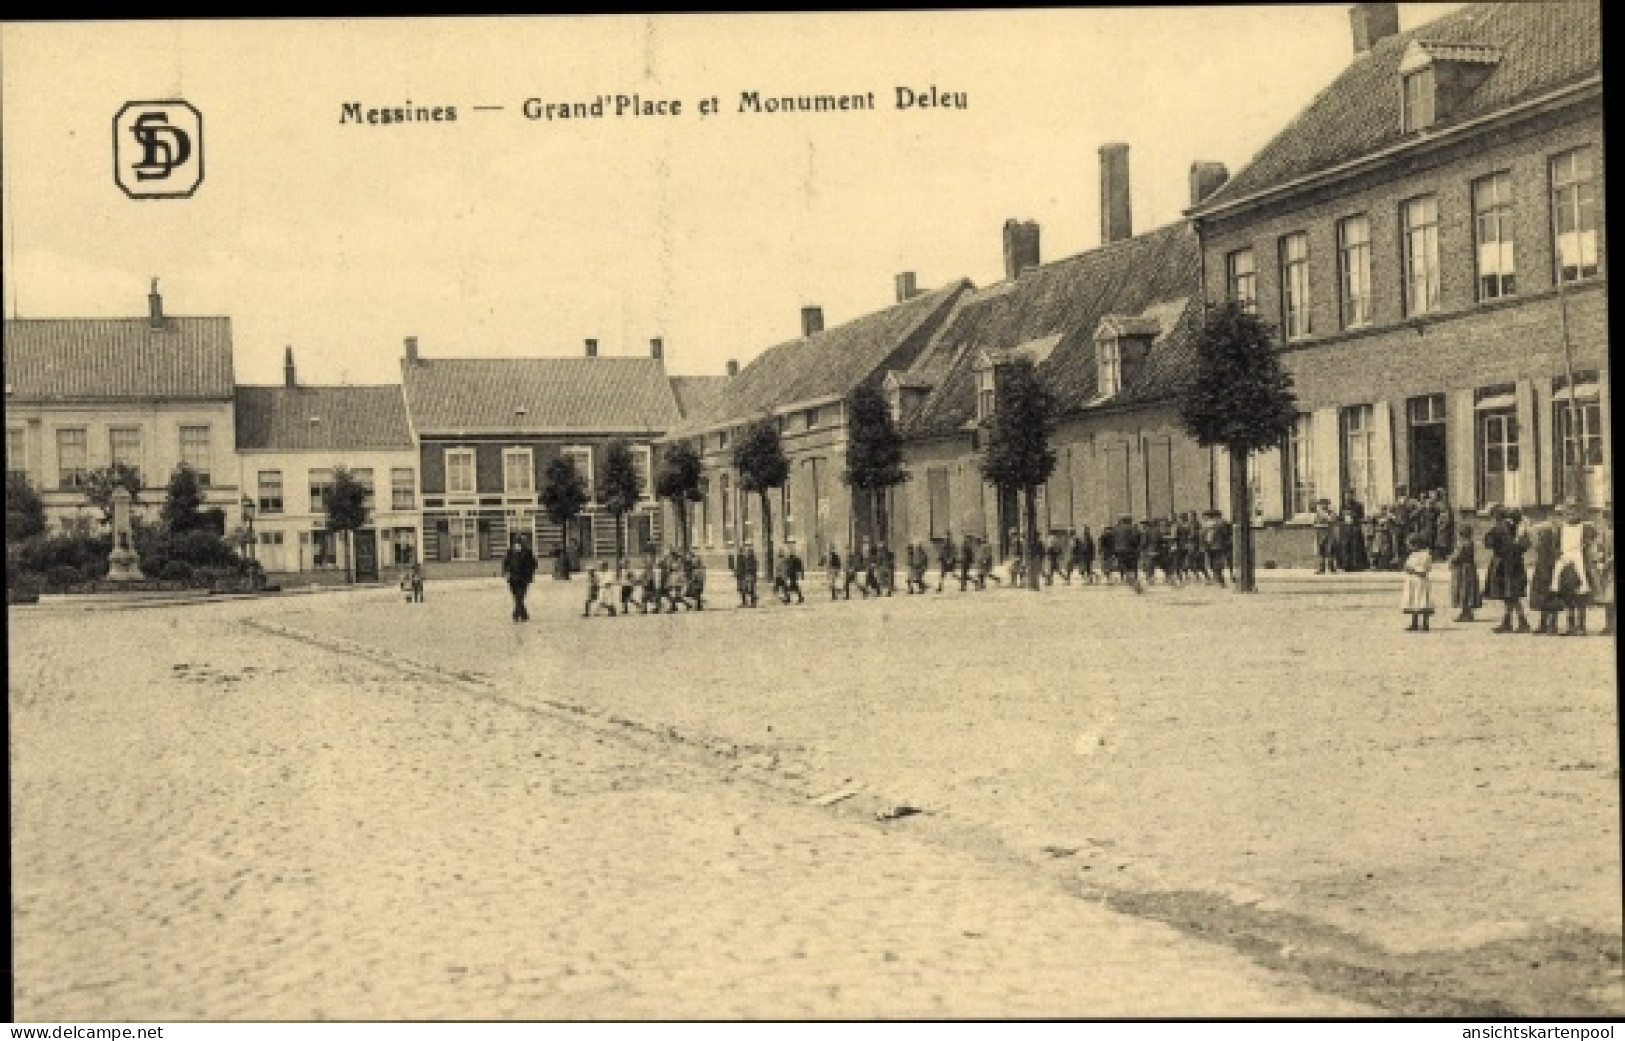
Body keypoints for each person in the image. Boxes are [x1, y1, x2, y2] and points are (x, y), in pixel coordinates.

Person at [1552, 500, 1600, 636]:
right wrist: (1559, 554)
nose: (1570, 515)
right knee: (1567, 594)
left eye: (1573, 512)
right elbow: (1556, 545)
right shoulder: (1561, 528)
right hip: (1565, 563)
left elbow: (1593, 539)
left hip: (1580, 562)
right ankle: (1570, 625)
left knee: (1581, 595)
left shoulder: (1584, 528)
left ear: (1578, 513)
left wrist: (1586, 546)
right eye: (1568, 513)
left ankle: (1581, 626)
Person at [1482, 505, 1531, 634]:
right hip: (1513, 564)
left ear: (1496, 516)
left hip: (1506, 565)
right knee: (1509, 595)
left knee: (1511, 595)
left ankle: (1522, 622)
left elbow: (1489, 542)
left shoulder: (1501, 528)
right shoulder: (1513, 527)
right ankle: (1508, 622)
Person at [1528, 517, 1561, 635]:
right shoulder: (1542, 546)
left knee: (1552, 599)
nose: (1540, 536)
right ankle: (1544, 624)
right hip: (1542, 572)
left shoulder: (1549, 546)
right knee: (1544, 599)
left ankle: (1552, 625)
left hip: (1548, 573)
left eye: (1542, 534)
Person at [1400, 533, 1434, 632]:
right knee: (1414, 601)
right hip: (1412, 581)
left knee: (1422, 601)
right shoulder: (1412, 555)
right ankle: (1414, 623)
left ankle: (1425, 624)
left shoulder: (1425, 555)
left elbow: (1424, 570)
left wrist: (1413, 571)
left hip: (1420, 582)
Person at [500, 534, 538, 622]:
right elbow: (505, 564)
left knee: (520, 596)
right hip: (513, 578)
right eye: (517, 542)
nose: (518, 545)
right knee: (517, 596)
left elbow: (534, 564)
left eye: (519, 542)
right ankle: (523, 614)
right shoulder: (510, 552)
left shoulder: (528, 552)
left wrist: (529, 572)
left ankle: (516, 614)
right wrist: (506, 572)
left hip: (523, 578)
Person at [1448, 522, 1481, 623]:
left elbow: (1457, 556)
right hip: (1470, 568)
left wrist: (1450, 559)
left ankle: (1465, 612)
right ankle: (1468, 612)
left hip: (1463, 570)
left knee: (1463, 589)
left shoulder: (1462, 544)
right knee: (1469, 590)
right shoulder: (1470, 543)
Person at [1113, 515, 1142, 593]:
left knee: (1125, 568)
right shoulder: (1133, 529)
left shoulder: (1116, 529)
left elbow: (1113, 541)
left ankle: (1131, 582)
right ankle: (1135, 583)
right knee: (1132, 568)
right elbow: (1136, 540)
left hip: (1119, 552)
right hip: (1131, 551)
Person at [1312, 499, 1337, 574]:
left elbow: (1332, 520)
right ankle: (1321, 568)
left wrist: (1325, 516)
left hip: (1329, 534)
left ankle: (1331, 568)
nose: (1323, 506)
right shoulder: (1317, 514)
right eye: (1322, 504)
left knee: (1330, 550)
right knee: (1321, 551)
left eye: (1325, 504)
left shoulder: (1331, 513)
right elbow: (1314, 523)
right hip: (1320, 534)